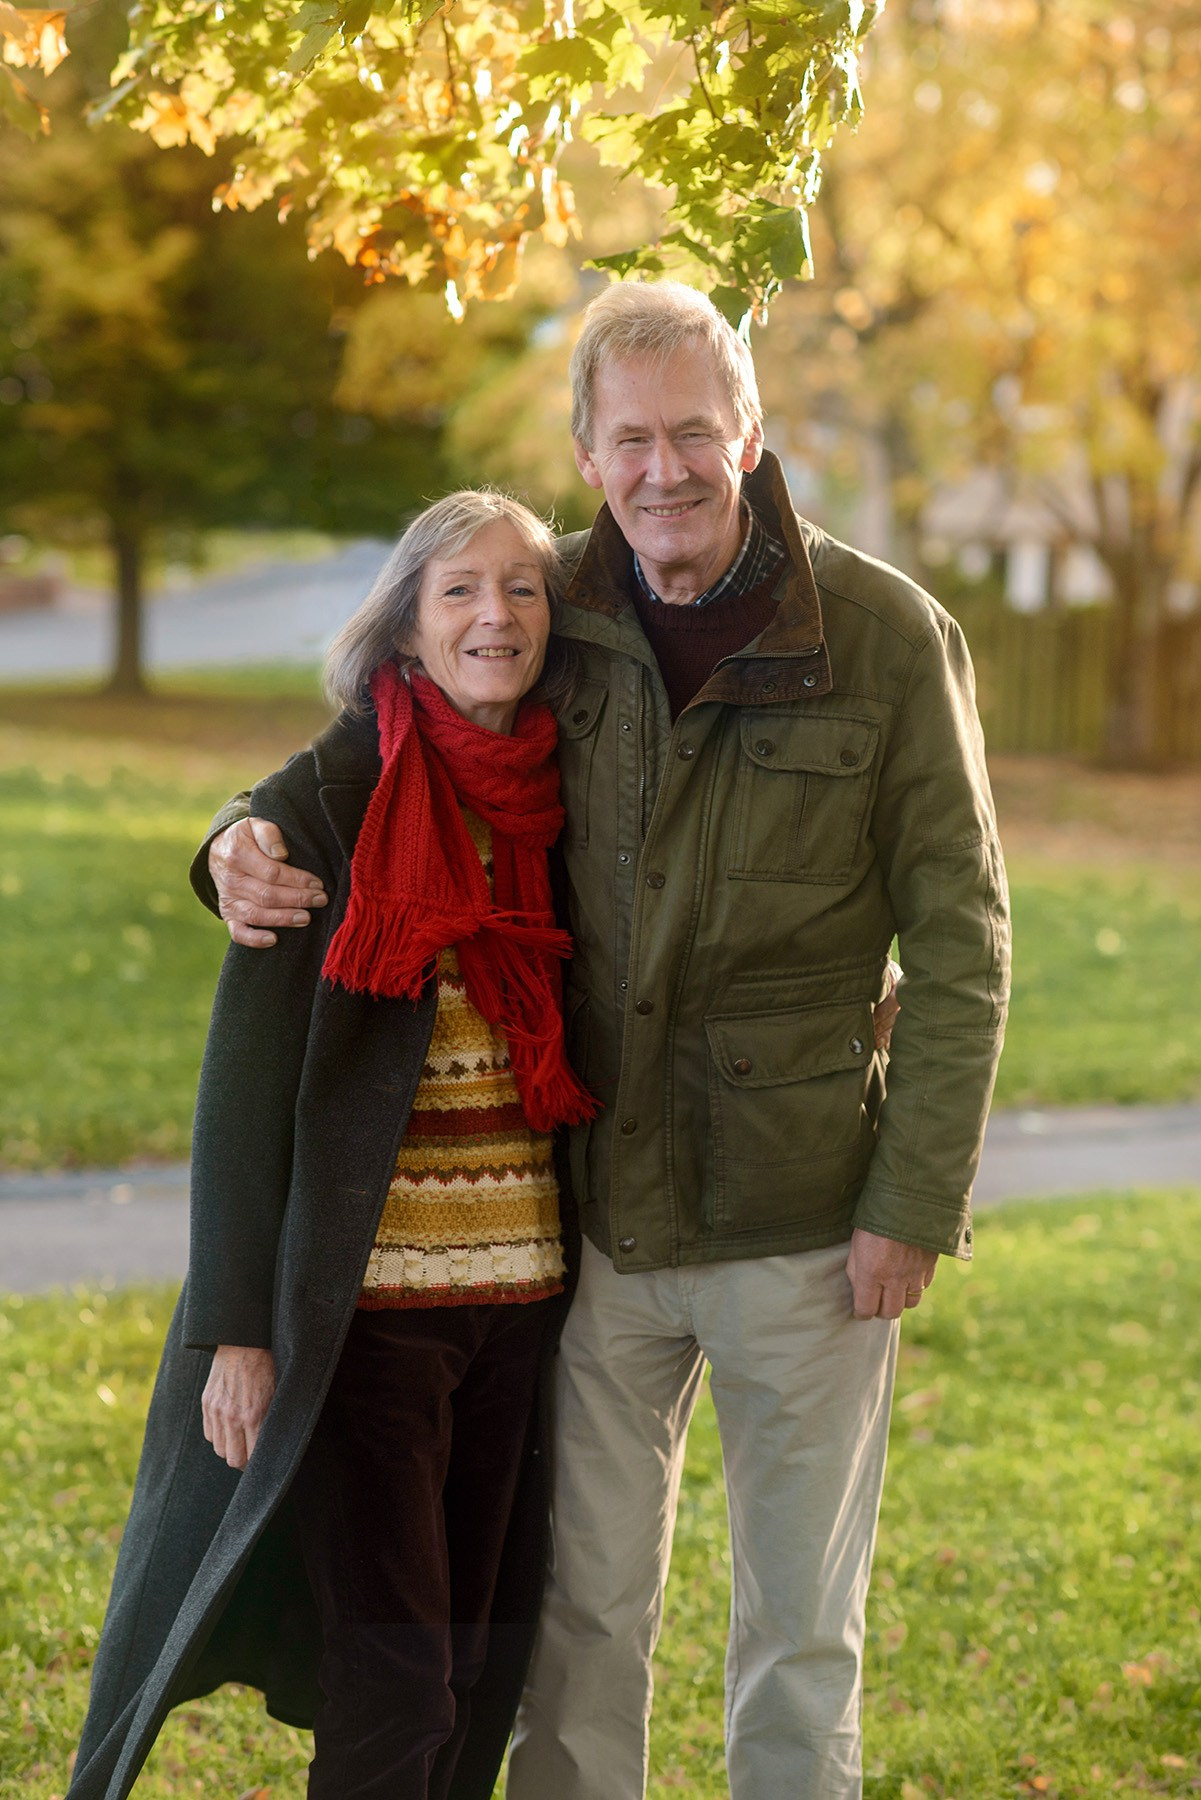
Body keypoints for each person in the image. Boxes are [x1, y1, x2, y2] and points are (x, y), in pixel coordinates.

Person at [200, 281, 1011, 1799]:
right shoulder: (540, 604)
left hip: (806, 1221)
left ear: (750, 434)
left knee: (796, 1631)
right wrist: (229, 840)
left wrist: (909, 1203)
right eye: (627, 437)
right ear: (584, 449)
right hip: (596, 1227)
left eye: (692, 433)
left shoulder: (891, 637)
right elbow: (361, 751)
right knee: (577, 1626)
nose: (663, 470)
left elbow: (964, 942)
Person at [67, 491, 597, 1800]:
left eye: (522, 590)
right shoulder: (325, 799)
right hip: (368, 1320)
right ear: (407, 626)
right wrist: (235, 1331)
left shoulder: (562, 792)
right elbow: (242, 1085)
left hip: (523, 1307)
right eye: (461, 591)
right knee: (397, 1682)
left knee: (475, 1671)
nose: (496, 617)